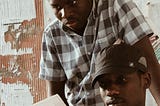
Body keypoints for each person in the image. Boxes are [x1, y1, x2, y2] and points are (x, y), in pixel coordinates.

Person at [39, 0, 160, 105]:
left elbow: (149, 64)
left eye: (72, 2)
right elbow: (55, 97)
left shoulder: (116, 7)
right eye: (57, 7)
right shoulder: (51, 35)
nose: (65, 13)